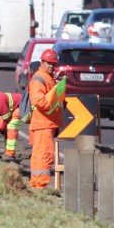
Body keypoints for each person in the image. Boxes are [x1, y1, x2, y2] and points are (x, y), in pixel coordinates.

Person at [28, 49, 66, 189]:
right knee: (44, 154)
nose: (51, 66)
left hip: (46, 123)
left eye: (53, 64)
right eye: (49, 63)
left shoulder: (48, 77)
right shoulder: (39, 78)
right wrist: (54, 103)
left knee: (41, 154)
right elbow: (39, 101)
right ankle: (40, 185)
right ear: (42, 62)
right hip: (43, 122)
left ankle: (37, 183)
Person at [0, 91, 22, 158]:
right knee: (4, 128)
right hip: (9, 110)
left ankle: (10, 153)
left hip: (21, 104)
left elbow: (7, 119)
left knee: (11, 126)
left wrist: (2, 129)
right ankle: (8, 150)